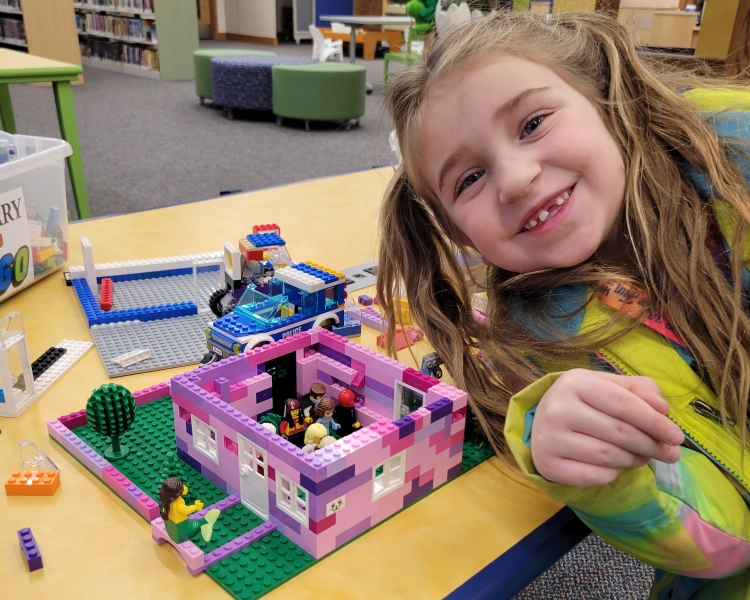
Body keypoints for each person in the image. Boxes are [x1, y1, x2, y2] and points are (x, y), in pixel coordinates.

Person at [377, 11, 750, 599]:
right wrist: (598, 470)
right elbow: (725, 538)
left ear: (608, 102)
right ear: (464, 238)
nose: (518, 178)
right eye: (469, 178)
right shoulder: (543, 336)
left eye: (532, 124)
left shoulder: (735, 159)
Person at [159, 477, 220, 544]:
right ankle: (206, 523)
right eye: (182, 487)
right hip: (181, 532)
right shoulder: (178, 504)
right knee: (200, 523)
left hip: (171, 531)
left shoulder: (166, 502)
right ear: (177, 493)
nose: (185, 487)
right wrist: (196, 506)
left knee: (195, 522)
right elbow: (186, 510)